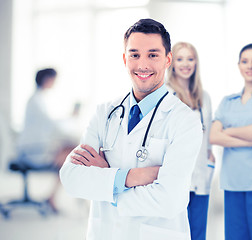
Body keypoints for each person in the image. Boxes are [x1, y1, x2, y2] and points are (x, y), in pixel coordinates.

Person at [60, 18, 203, 240]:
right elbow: (71, 179)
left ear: (168, 60)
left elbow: (170, 200)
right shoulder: (103, 113)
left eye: (153, 55)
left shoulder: (185, 121)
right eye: (135, 55)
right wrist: (134, 177)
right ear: (125, 59)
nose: (142, 65)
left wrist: (106, 181)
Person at [210, 43, 252, 240]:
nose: (250, 66)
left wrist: (230, 131)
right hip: (233, 182)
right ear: (239, 65)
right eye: (245, 61)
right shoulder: (228, 102)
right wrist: (251, 141)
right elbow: (213, 136)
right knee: (235, 236)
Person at [166, 42, 215, 240]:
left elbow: (209, 132)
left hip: (201, 172)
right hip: (176, 174)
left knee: (198, 231)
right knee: (175, 232)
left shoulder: (204, 96)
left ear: (196, 63)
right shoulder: (166, 94)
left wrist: (210, 155)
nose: (186, 64)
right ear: (172, 63)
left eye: (190, 58)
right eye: (180, 59)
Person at [17, 68, 77, 212]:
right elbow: (52, 125)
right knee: (72, 155)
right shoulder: (36, 101)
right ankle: (52, 197)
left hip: (36, 147)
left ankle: (52, 196)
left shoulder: (37, 99)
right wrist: (70, 117)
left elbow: (49, 125)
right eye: (53, 79)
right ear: (46, 79)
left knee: (71, 154)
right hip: (34, 151)